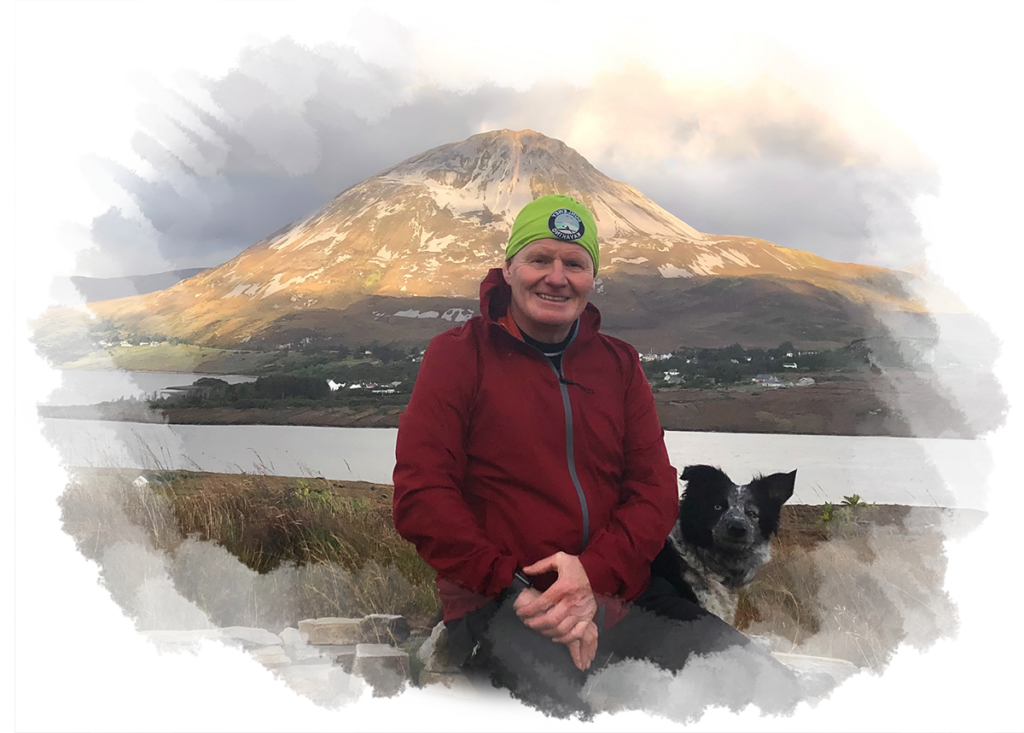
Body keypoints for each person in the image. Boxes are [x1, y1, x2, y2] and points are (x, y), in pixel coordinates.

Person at [392, 194, 806, 724]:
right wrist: (519, 593)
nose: (556, 278)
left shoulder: (619, 364)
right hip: (501, 609)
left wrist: (591, 578)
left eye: (574, 264)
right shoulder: (457, 355)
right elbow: (422, 497)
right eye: (540, 259)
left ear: (592, 279)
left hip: (621, 599)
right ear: (509, 267)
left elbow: (655, 489)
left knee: (774, 698)